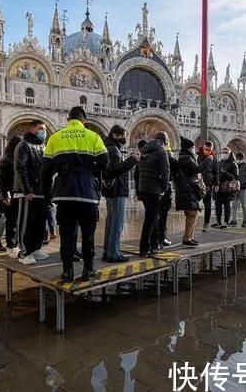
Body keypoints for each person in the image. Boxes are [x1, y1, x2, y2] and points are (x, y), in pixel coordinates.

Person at [42, 106, 109, 281]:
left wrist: (47, 194)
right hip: (87, 193)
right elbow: (105, 162)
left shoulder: (55, 137)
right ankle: (88, 269)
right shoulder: (93, 136)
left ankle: (67, 271)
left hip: (64, 193)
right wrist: (90, 169)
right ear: (83, 120)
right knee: (87, 234)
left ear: (68, 120)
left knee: (66, 233)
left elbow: (45, 170)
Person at [14, 120, 49, 264]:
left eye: (44, 129)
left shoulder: (43, 146)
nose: (43, 131)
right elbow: (20, 168)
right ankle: (24, 252)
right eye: (41, 128)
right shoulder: (24, 145)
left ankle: (35, 248)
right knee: (26, 221)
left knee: (39, 222)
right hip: (28, 191)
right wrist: (26, 190)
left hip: (40, 190)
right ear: (33, 129)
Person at [102, 125, 139, 263]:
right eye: (123, 135)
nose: (125, 137)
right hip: (117, 190)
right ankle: (114, 253)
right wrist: (132, 160)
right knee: (117, 223)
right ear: (116, 135)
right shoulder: (113, 150)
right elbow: (115, 169)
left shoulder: (110, 147)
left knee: (111, 222)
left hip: (112, 190)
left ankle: (107, 251)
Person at [136, 132, 171, 257]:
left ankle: (153, 245)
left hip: (143, 188)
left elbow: (139, 169)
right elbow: (165, 171)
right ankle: (144, 248)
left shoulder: (145, 149)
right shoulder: (162, 152)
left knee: (152, 216)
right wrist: (165, 188)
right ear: (163, 142)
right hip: (155, 189)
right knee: (150, 218)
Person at [0, 135, 22, 256]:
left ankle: (16, 244)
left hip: (19, 193)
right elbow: (0, 180)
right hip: (9, 194)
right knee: (11, 221)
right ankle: (11, 245)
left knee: (18, 220)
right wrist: (5, 196)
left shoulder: (19, 158)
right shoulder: (6, 159)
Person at [175, 136, 203, 245]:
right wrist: (206, 160)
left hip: (186, 188)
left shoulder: (183, 157)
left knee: (191, 214)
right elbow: (198, 169)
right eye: (193, 147)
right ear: (188, 148)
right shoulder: (186, 158)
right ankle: (187, 238)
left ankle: (189, 237)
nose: (194, 148)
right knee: (192, 213)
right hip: (188, 189)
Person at [214, 147, 238, 229]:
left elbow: (235, 177)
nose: (224, 154)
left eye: (226, 152)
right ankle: (218, 222)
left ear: (229, 153)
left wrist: (225, 172)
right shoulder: (219, 163)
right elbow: (215, 174)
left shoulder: (233, 164)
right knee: (218, 205)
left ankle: (226, 222)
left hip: (227, 188)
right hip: (218, 188)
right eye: (223, 152)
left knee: (227, 205)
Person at [198, 142, 218, 232]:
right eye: (206, 150)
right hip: (198, 184)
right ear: (203, 148)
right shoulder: (198, 156)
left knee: (208, 206)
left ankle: (206, 224)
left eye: (209, 150)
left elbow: (215, 172)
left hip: (208, 185)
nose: (207, 152)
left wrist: (216, 183)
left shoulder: (213, 158)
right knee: (194, 205)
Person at [231, 152, 246, 227]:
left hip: (243, 188)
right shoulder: (233, 165)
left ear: (243, 158)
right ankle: (234, 220)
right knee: (234, 205)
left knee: (244, 205)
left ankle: (245, 221)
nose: (238, 160)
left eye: (240, 158)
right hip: (234, 188)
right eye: (237, 158)